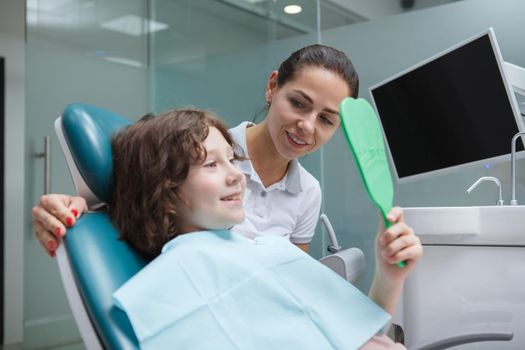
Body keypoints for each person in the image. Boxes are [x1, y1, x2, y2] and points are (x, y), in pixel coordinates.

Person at [32, 44, 422, 316]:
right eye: (299, 103)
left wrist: (386, 278)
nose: (306, 126)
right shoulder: (201, 147)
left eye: (325, 119)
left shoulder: (308, 193)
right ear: (273, 88)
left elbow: (294, 277)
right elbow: (140, 196)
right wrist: (81, 206)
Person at [110, 108, 407, 349]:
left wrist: (389, 274)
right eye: (211, 164)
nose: (236, 176)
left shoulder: (266, 248)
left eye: (231, 159)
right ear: (163, 192)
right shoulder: (182, 275)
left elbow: (362, 331)